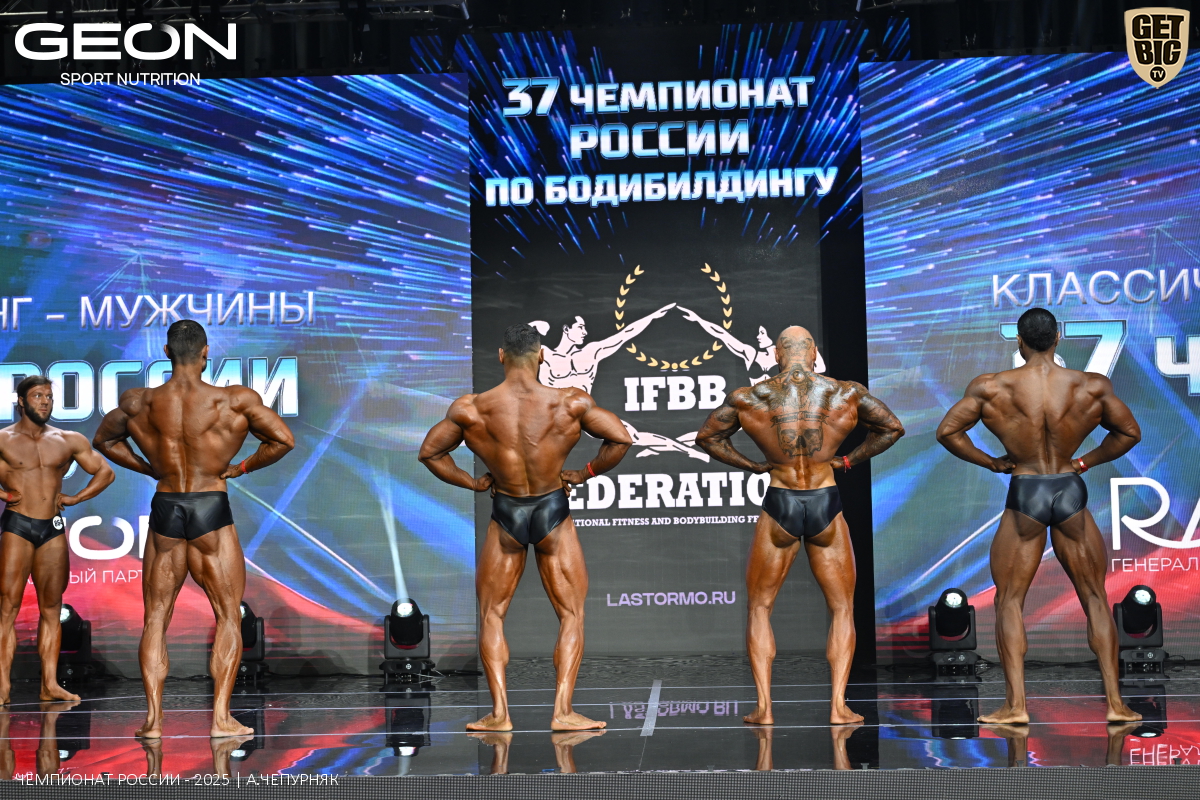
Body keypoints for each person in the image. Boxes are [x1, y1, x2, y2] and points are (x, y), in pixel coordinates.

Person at [419, 323, 632, 731]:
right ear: (543, 355)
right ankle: (562, 712)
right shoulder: (569, 401)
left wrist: (473, 482)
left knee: (492, 615)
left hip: (507, 512)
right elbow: (620, 439)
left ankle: (500, 715)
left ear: (501, 356)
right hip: (553, 510)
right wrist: (583, 472)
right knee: (571, 614)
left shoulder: (472, 409)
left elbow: (430, 453)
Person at [935, 306, 1141, 724]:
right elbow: (1129, 433)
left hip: (1026, 490)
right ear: (1058, 338)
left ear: (1019, 341)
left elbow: (947, 432)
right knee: (1095, 597)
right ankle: (1116, 705)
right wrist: (1083, 462)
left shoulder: (992, 387)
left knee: (1009, 600)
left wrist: (992, 462)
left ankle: (1016, 707)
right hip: (1069, 488)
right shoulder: (1090, 386)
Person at [93, 320, 295, 738]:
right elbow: (282, 440)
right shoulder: (233, 401)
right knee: (227, 616)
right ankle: (221, 719)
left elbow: (104, 441)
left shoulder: (138, 403)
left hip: (167, 505)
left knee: (155, 617)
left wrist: (149, 468)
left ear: (167, 353)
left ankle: (153, 721)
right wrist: (240, 467)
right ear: (206, 352)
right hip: (210, 505)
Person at [696, 326, 904, 725]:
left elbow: (707, 438)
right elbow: (892, 428)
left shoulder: (750, 396)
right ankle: (838, 706)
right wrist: (847, 461)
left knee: (760, 607)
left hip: (781, 501)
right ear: (814, 355)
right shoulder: (845, 392)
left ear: (777, 354)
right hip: (826, 501)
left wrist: (754, 465)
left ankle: (764, 708)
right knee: (842, 608)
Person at [0, 376, 114, 704]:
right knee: (7, 607)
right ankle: (2, 685)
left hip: (51, 527)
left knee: (52, 608)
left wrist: (77, 498)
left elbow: (105, 472)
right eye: (38, 396)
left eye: (49, 396)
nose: (45, 401)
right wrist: (3, 495)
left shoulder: (67, 439)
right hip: (17, 525)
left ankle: (49, 684)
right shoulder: (4, 439)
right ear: (21, 401)